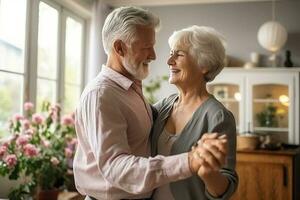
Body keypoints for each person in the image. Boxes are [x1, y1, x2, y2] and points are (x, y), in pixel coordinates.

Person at [73, 6, 228, 200]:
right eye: (146, 47)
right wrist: (190, 160)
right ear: (119, 48)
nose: (155, 56)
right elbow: (116, 167)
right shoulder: (102, 95)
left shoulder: (133, 91)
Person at [151, 25, 238, 200]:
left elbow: (225, 188)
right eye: (170, 53)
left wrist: (208, 173)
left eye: (179, 54)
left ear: (203, 65)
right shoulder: (162, 107)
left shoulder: (218, 116)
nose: (169, 61)